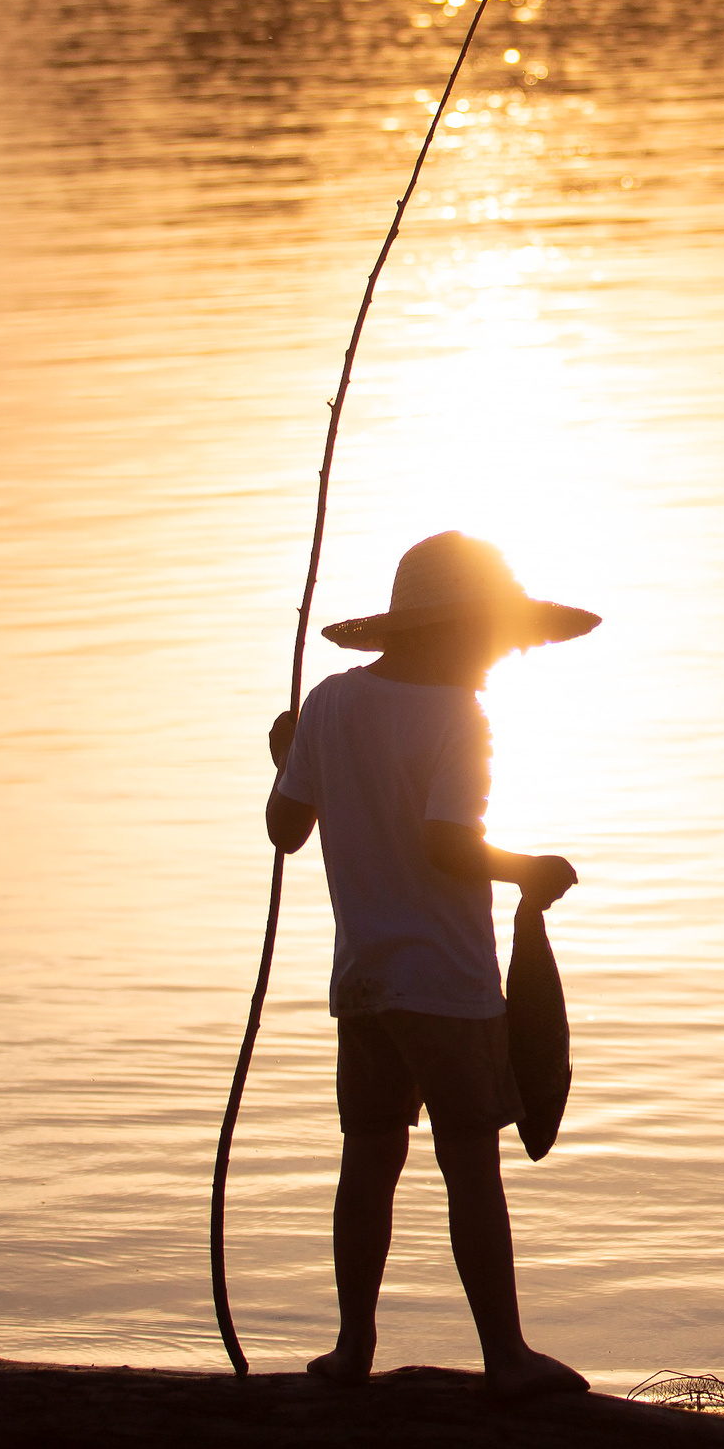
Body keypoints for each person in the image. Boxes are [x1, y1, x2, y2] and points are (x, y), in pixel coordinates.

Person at [265, 530, 598, 1402]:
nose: (498, 659)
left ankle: (350, 1348)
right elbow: (449, 846)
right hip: (447, 987)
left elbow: (283, 830)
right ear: (461, 635)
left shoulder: (331, 706)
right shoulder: (459, 716)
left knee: (367, 1165)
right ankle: (505, 1353)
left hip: (364, 986)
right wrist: (528, 869)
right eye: (493, 640)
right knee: (469, 1168)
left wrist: (289, 757)